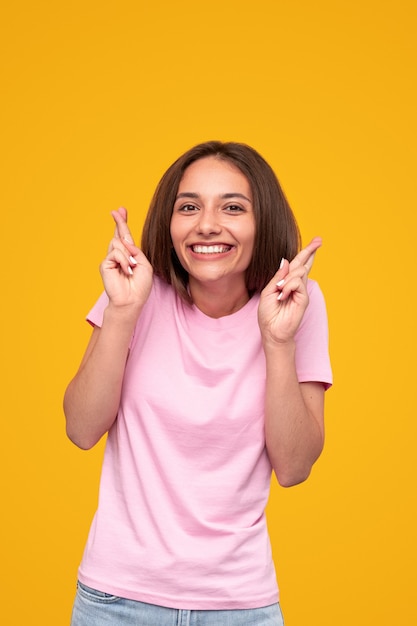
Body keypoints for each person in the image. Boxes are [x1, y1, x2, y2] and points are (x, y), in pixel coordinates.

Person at [64, 140, 332, 626]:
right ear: (170, 223)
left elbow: (294, 467)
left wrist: (278, 341)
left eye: (233, 207)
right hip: (116, 601)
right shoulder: (134, 291)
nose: (207, 223)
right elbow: (82, 429)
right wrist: (123, 311)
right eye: (189, 207)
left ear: (263, 221)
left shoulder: (298, 302)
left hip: (241, 606)